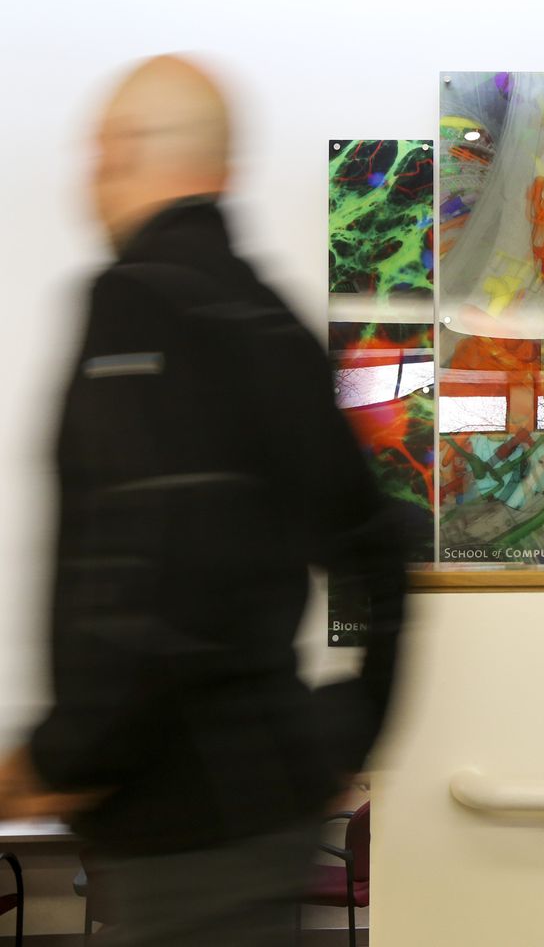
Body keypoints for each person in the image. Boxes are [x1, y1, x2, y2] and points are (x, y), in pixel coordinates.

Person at [0, 55, 408, 945]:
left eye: (101, 150)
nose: (90, 175)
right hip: (270, 806)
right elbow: (378, 546)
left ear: (130, 151)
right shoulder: (274, 323)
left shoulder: (133, 303)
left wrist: (60, 756)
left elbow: (138, 567)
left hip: (177, 818)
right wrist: (344, 732)